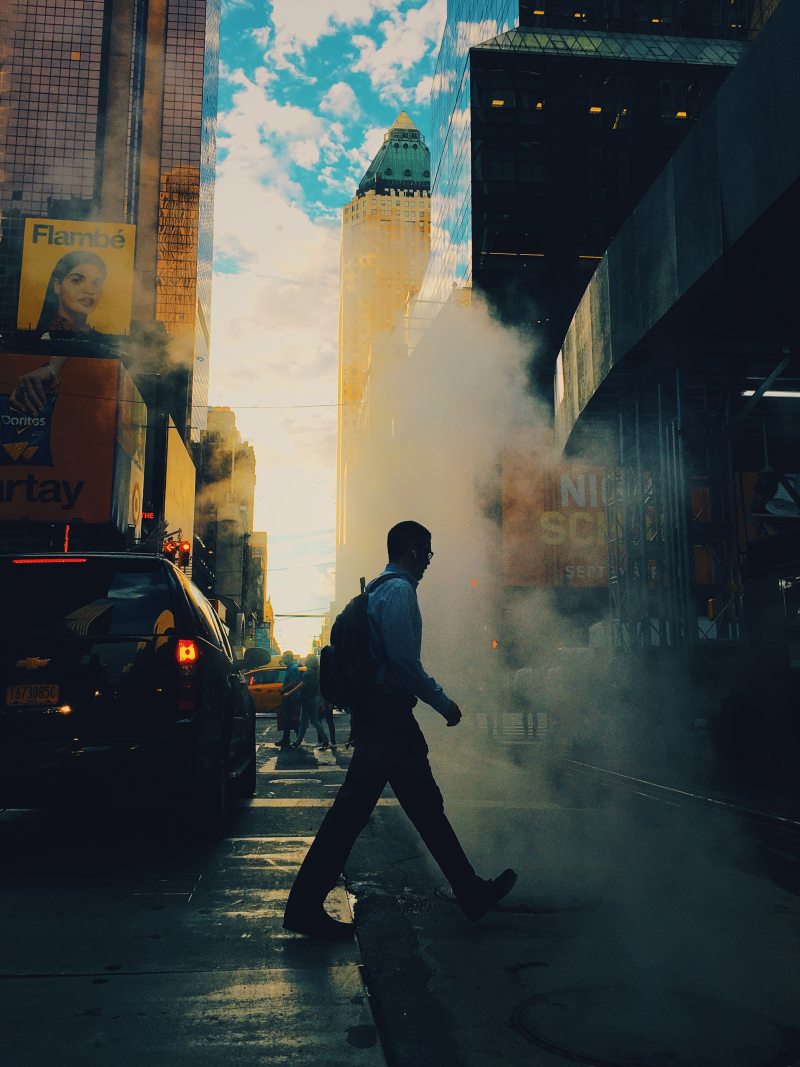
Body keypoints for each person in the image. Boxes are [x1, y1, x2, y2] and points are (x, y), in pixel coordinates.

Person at [283, 520, 517, 939]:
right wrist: (444, 704)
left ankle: (470, 891)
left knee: (421, 807)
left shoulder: (376, 589)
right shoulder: (398, 592)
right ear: (410, 550)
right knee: (358, 813)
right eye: (426, 552)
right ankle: (303, 905)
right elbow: (404, 664)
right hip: (387, 717)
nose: (428, 561)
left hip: (383, 717)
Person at [11, 251, 108, 416]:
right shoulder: (30, 339)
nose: (89, 290)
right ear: (57, 285)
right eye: (77, 280)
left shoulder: (104, 341)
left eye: (97, 283)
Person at [292, 653, 330, 750]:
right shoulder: (317, 672)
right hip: (314, 699)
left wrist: (289, 693)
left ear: (309, 662)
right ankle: (298, 742)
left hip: (309, 700)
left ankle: (325, 741)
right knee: (305, 722)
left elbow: (301, 685)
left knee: (313, 721)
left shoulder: (309, 673)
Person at [276, 651, 303, 748]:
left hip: (291, 698)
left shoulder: (292, 669)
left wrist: (284, 690)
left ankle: (298, 739)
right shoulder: (290, 668)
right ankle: (286, 739)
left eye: (285, 657)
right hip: (289, 697)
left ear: (290, 658)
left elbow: (294, 682)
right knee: (287, 719)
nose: (283, 659)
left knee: (292, 719)